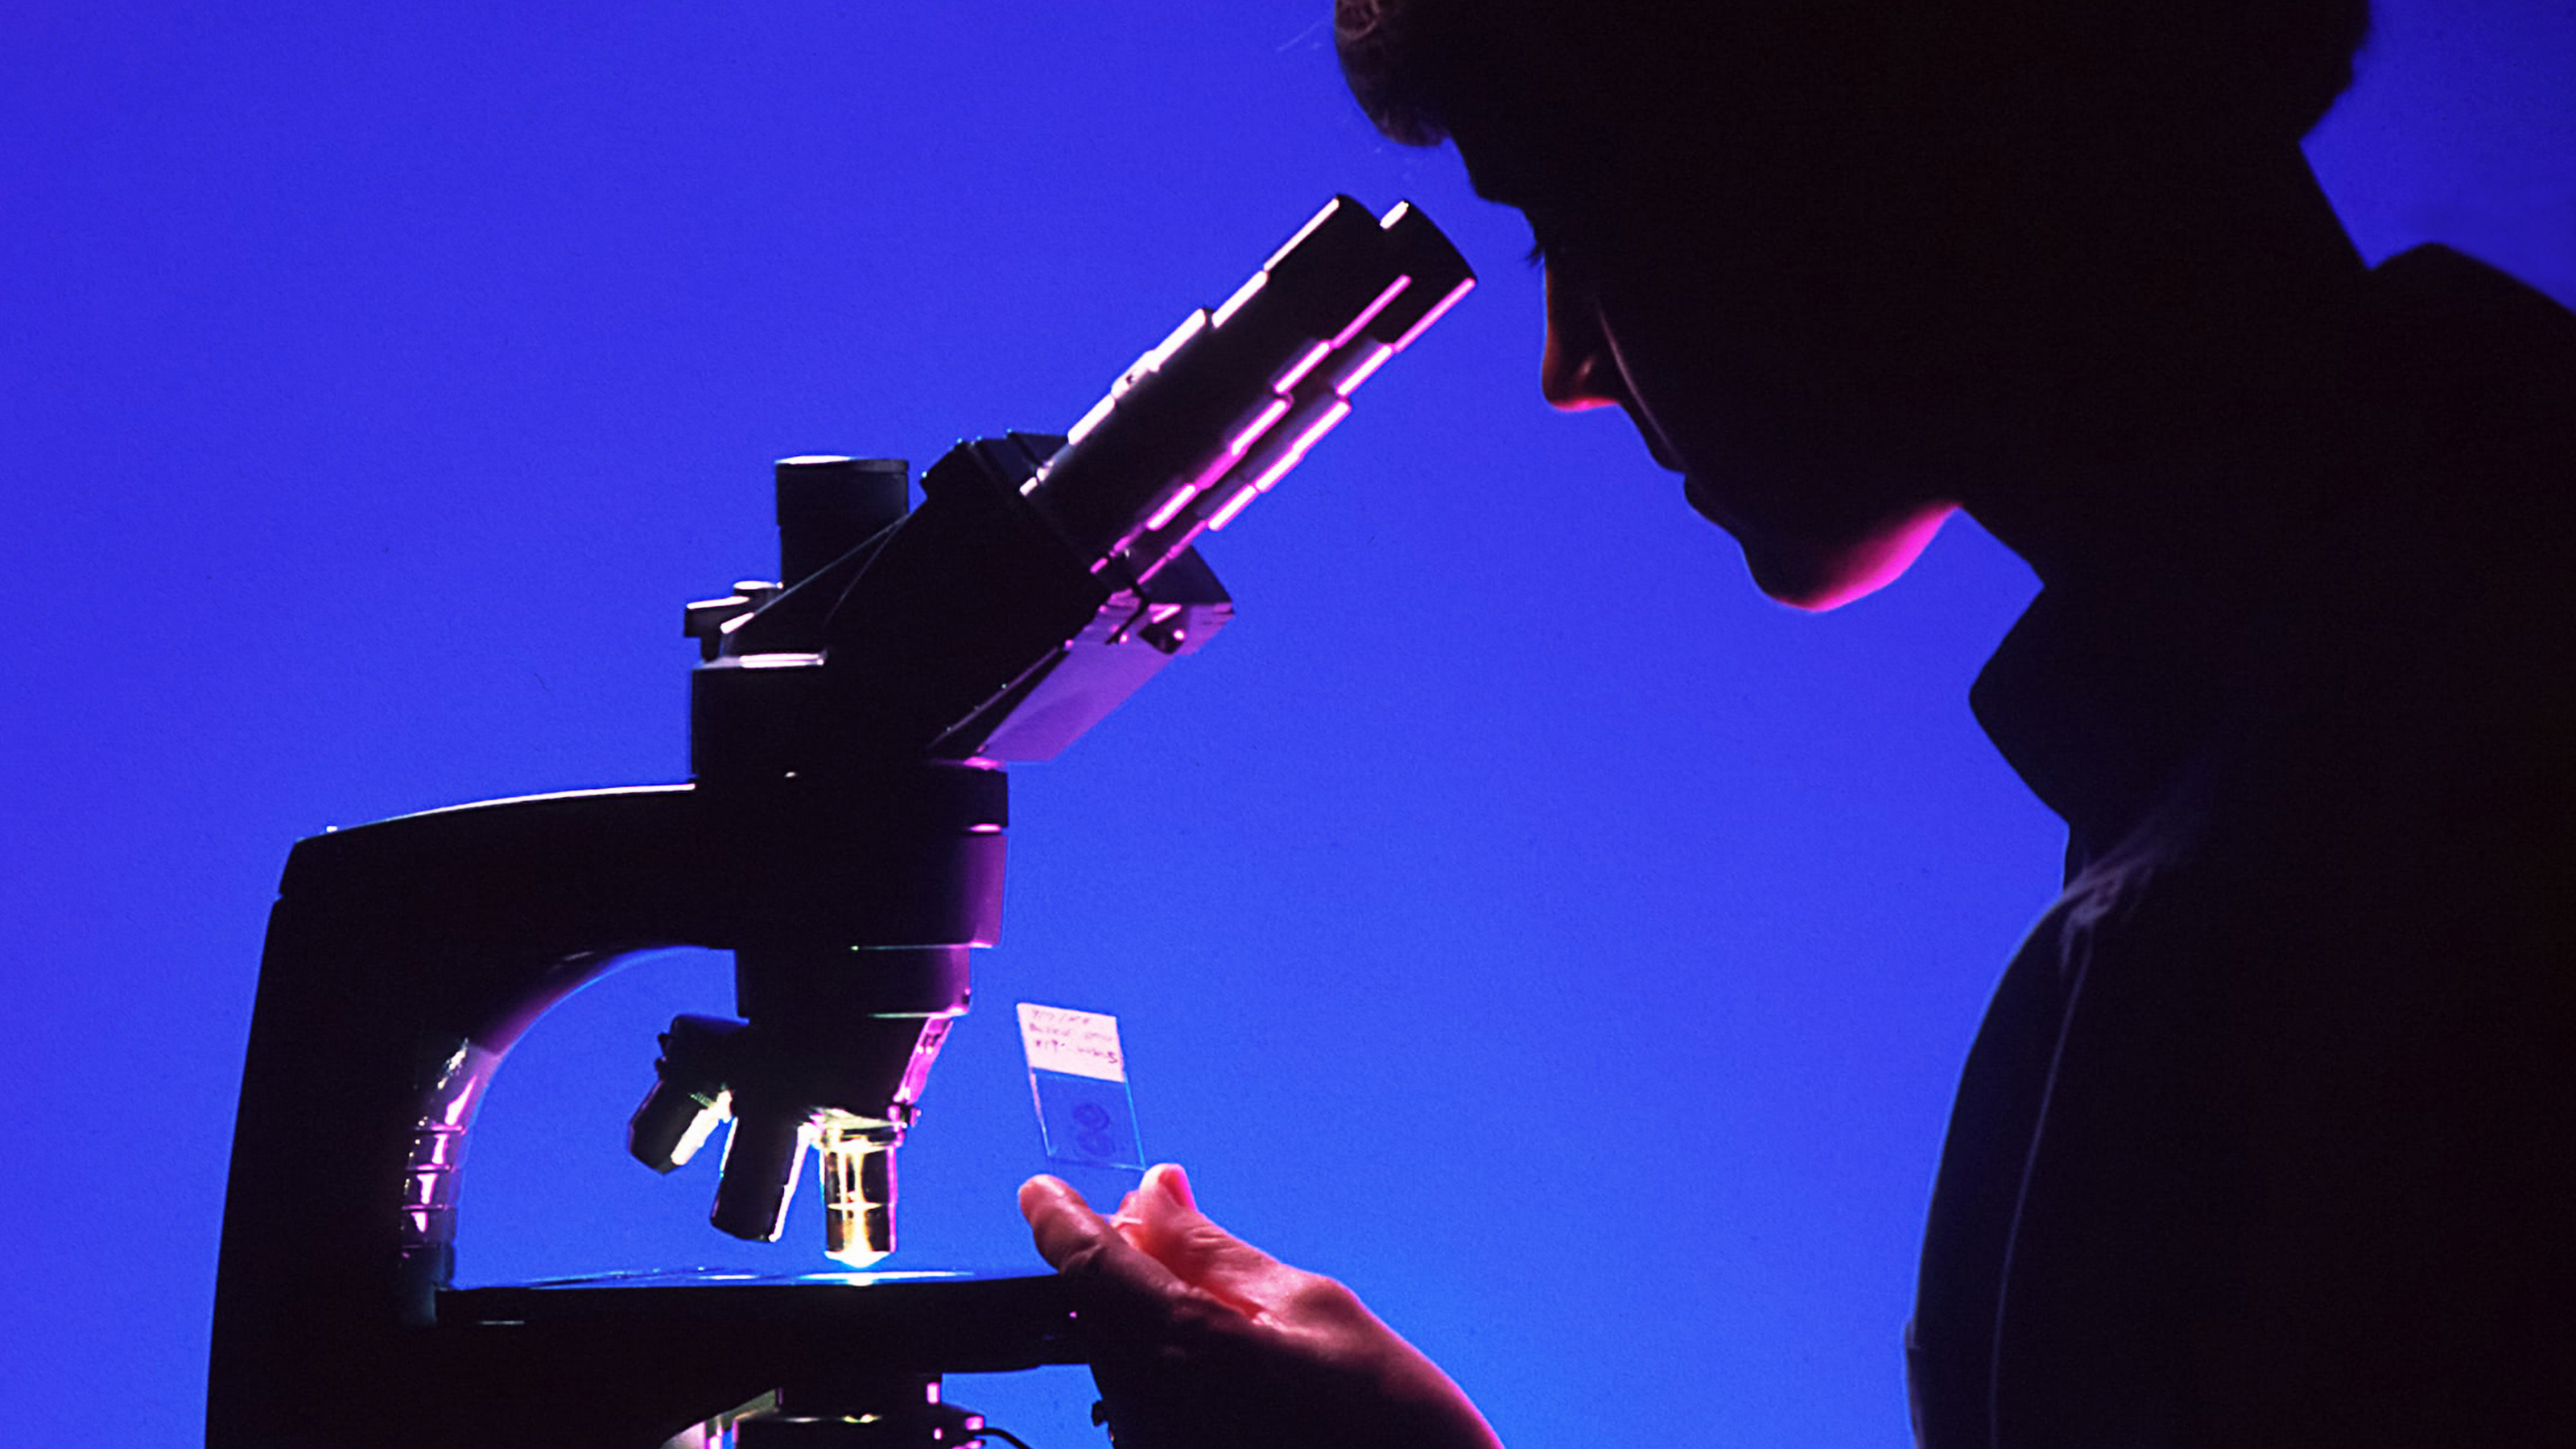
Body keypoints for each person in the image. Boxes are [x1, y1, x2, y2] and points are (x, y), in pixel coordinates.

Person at [1019, 1, 2576, 1443]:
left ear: (1847, 152)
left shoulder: (2271, 917)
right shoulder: (2437, 633)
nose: (1570, 370)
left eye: (1578, 223)